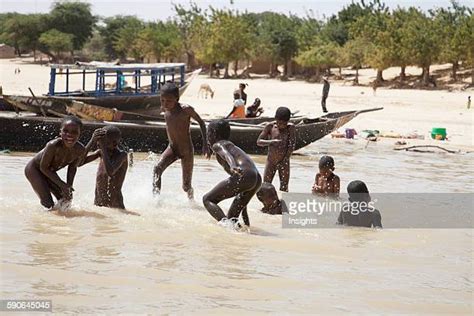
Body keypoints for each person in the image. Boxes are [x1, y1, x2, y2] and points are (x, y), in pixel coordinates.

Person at [153, 82, 209, 199]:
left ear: (177, 99)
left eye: (169, 101)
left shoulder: (186, 109)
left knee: (186, 186)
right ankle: (155, 199)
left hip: (186, 151)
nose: (165, 104)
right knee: (157, 169)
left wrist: (205, 144)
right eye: (162, 100)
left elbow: (201, 122)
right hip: (172, 148)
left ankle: (192, 201)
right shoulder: (164, 108)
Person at [203, 120, 262, 229]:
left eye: (208, 134)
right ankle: (238, 231)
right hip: (256, 178)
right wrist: (245, 216)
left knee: (207, 199)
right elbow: (243, 187)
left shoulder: (218, 144)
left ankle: (226, 226)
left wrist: (233, 165)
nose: (207, 138)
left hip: (244, 174)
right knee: (232, 218)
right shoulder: (232, 146)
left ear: (214, 134)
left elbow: (226, 155)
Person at [25, 116, 85, 210]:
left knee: (65, 200)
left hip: (49, 172)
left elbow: (72, 168)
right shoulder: (53, 146)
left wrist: (68, 187)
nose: (69, 135)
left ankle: (61, 222)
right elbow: (43, 167)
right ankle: (44, 221)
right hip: (34, 169)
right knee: (48, 203)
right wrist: (62, 184)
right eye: (65, 131)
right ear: (60, 132)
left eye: (74, 132)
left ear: (79, 134)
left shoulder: (80, 149)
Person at [81, 126, 129, 210]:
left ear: (115, 144)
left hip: (115, 206)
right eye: (99, 142)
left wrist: (103, 148)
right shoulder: (101, 152)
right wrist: (91, 141)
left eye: (104, 143)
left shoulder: (122, 155)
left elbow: (110, 172)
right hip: (99, 203)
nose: (99, 145)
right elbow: (79, 163)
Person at [257, 107, 296, 192]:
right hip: (271, 161)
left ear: (287, 122)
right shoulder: (270, 127)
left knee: (284, 188)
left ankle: (283, 204)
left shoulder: (290, 128)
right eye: (279, 123)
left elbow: (291, 145)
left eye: (283, 124)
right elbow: (259, 141)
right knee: (266, 186)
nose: (281, 125)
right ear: (276, 119)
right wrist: (271, 142)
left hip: (284, 162)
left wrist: (286, 158)